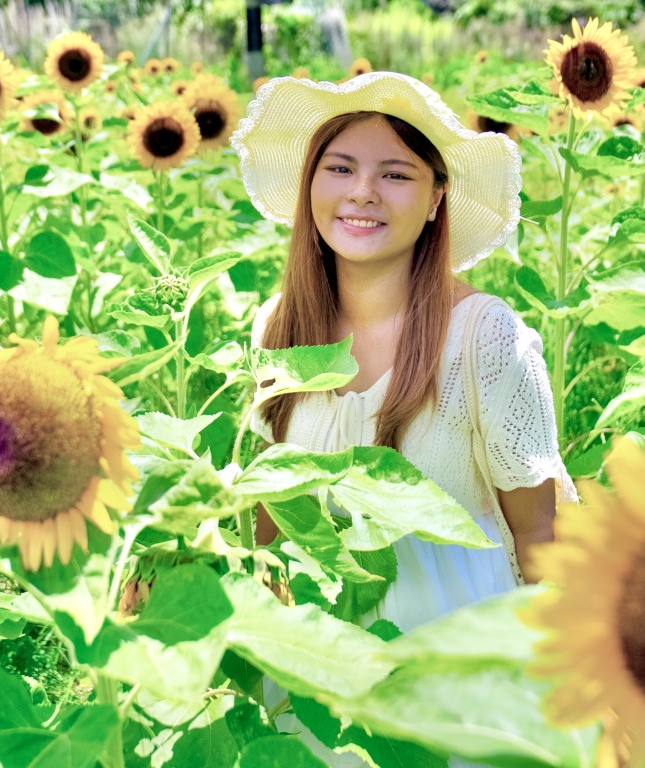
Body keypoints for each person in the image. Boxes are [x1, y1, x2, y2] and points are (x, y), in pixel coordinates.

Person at [230, 71, 578, 635]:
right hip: (317, 663)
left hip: (461, 657)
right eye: (340, 168)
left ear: (437, 198)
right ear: (309, 183)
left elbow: (540, 534)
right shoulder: (276, 327)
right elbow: (270, 517)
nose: (363, 192)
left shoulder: (484, 338)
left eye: (395, 174)